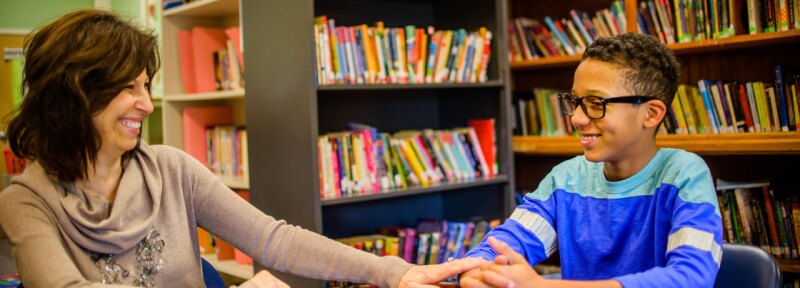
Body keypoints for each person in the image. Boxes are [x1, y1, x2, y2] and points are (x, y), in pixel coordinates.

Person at [0, 9, 481, 288]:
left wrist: (393, 273)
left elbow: (276, 239)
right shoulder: (26, 202)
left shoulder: (170, 169)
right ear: (75, 93)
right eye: (129, 88)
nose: (147, 104)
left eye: (147, 85)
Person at [460, 33, 723, 288]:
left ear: (651, 113)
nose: (576, 118)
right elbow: (508, 241)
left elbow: (691, 278)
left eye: (596, 103)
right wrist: (478, 269)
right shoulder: (565, 180)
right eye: (575, 102)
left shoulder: (684, 175)